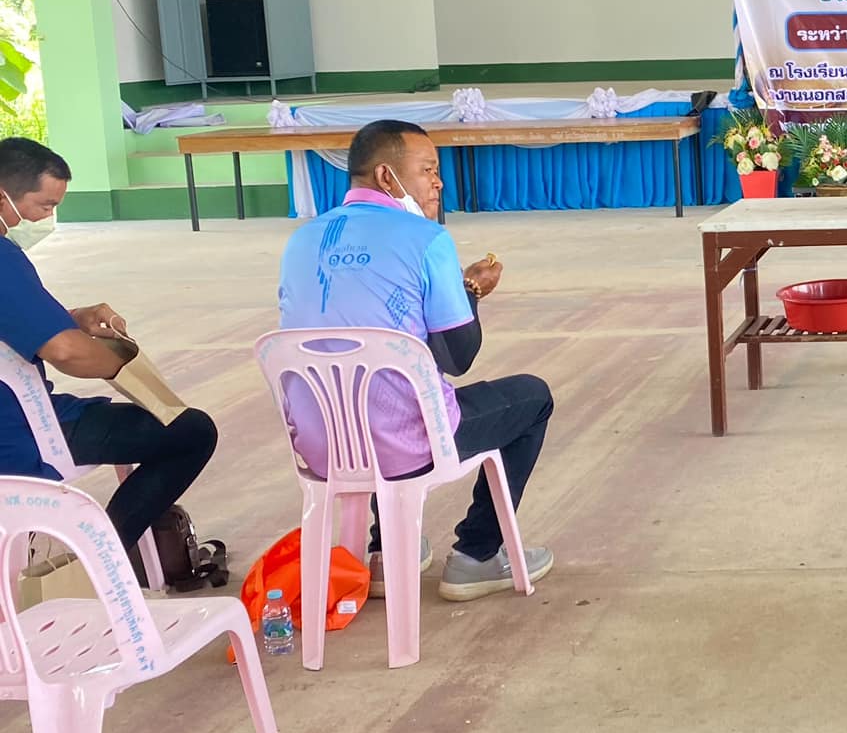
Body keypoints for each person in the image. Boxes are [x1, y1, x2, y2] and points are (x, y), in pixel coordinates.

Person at [277, 120, 554, 601]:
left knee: (366, 386)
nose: (438, 183)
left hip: (322, 445)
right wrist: (470, 291)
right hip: (406, 445)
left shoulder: (301, 240)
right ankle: (477, 555)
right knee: (533, 397)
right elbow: (458, 356)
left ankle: (386, 552)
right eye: (427, 170)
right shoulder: (426, 239)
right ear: (387, 176)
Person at [0, 137, 219, 557]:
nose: (47, 217)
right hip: (18, 430)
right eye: (44, 206)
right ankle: (105, 557)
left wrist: (72, 317)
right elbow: (66, 352)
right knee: (190, 431)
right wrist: (122, 361)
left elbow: (15, 320)